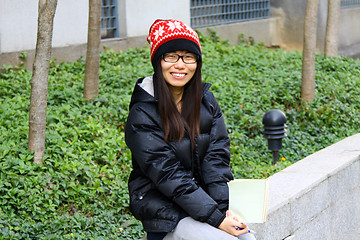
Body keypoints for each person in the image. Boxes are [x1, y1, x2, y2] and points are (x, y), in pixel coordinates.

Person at [125, 19, 256, 240]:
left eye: (188, 56)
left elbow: (216, 161)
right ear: (158, 62)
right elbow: (168, 174)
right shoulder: (142, 113)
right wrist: (217, 220)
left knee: (245, 237)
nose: (180, 65)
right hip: (165, 210)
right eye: (171, 56)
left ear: (197, 62)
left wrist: (223, 211)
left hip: (201, 203)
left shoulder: (207, 102)